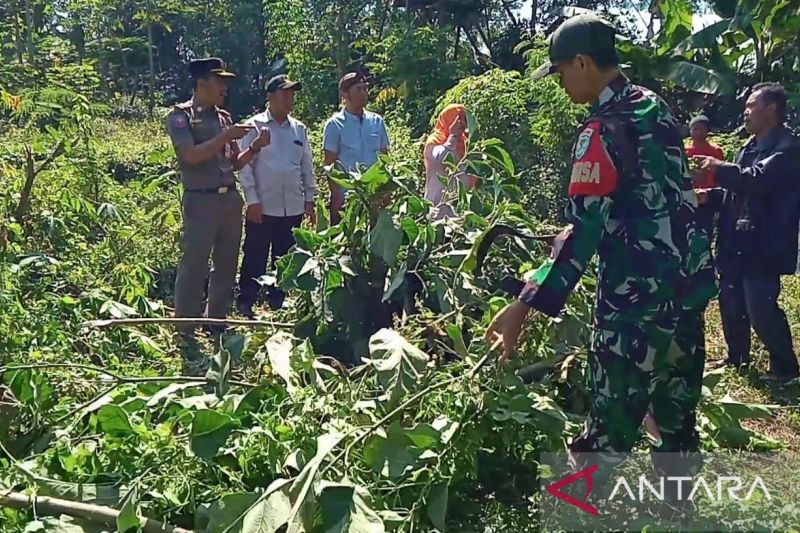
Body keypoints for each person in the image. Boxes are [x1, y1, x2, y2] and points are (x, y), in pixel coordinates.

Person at [484, 13, 716, 491]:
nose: (562, 82)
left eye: (562, 71)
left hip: (635, 302)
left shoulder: (601, 130)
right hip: (686, 290)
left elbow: (586, 229)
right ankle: (679, 509)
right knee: (676, 415)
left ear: (584, 63)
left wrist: (524, 304)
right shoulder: (656, 108)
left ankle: (583, 510)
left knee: (612, 417)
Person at [695, 83, 800, 383]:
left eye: (752, 105)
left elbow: (756, 181)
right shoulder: (748, 148)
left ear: (771, 109)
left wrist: (718, 167)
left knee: (761, 309)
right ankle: (736, 358)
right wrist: (710, 196)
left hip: (764, 244)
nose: (746, 110)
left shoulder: (788, 149)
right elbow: (736, 192)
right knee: (731, 303)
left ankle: (786, 369)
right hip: (735, 240)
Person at [165, 57, 269, 355]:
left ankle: (217, 320)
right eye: (219, 81)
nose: (224, 87)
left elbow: (234, 162)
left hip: (228, 198)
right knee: (195, 262)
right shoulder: (181, 117)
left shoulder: (224, 117)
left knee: (226, 262)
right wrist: (225, 136)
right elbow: (190, 156)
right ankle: (185, 326)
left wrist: (254, 147)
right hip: (201, 199)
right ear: (201, 83)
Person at [236, 74, 316, 316]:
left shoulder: (299, 129)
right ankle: (246, 301)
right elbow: (245, 167)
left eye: (292, 94)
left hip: (292, 205)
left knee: (285, 256)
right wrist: (252, 200)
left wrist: (309, 199)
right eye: (285, 93)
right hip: (262, 204)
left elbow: (306, 165)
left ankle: (277, 301)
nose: (290, 98)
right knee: (255, 253)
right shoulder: (254, 126)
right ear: (270, 97)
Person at [322, 72, 390, 224]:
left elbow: (384, 158)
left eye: (365, 89)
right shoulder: (334, 125)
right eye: (358, 89)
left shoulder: (377, 121)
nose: (364, 93)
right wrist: (336, 195)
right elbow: (329, 165)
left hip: (374, 197)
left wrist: (386, 192)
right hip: (348, 199)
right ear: (345, 95)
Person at [423, 104, 477, 220]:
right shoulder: (434, 141)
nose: (462, 123)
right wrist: (453, 136)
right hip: (437, 212)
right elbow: (441, 158)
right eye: (458, 118)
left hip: (459, 216)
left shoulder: (465, 146)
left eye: (464, 119)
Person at [685, 115, 725, 237]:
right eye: (694, 129)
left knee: (705, 232)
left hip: (708, 198)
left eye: (701, 129)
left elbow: (720, 175)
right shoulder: (684, 150)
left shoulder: (715, 151)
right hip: (689, 196)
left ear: (707, 130)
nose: (698, 132)